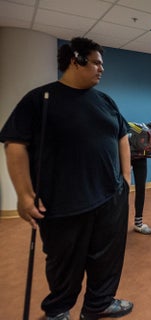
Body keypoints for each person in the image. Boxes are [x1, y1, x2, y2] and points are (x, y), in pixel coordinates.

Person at [0, 37, 134, 320]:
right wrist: (24, 195)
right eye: (96, 62)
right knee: (64, 263)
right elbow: (14, 144)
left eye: (102, 63)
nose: (101, 69)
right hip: (63, 203)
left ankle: (99, 303)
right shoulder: (41, 99)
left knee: (107, 258)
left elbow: (122, 134)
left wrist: (125, 177)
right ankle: (59, 310)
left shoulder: (105, 100)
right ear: (76, 60)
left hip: (111, 197)